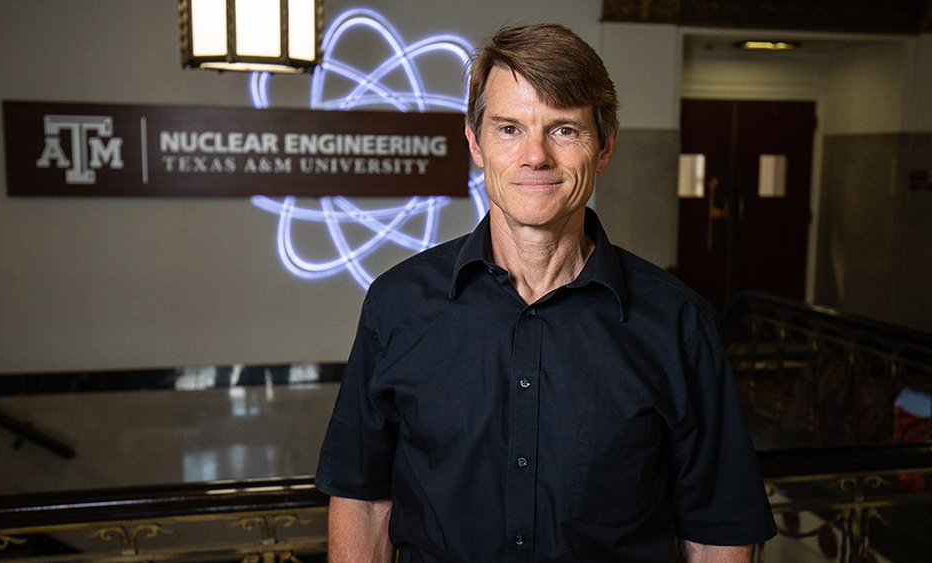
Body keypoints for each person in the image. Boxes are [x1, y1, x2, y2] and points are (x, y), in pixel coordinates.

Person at [315, 23, 777, 563]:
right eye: (509, 128)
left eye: (563, 130)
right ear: (475, 143)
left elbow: (717, 532)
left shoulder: (678, 323)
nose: (535, 156)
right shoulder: (397, 305)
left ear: (604, 147)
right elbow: (364, 500)